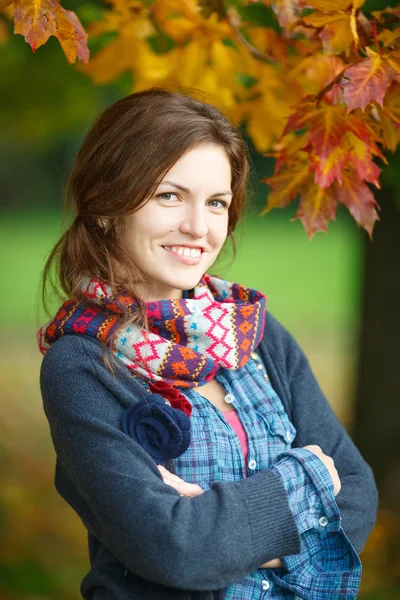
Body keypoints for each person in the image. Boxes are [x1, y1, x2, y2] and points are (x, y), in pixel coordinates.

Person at [38, 88, 378, 600]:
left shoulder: (254, 333)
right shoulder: (83, 364)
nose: (198, 228)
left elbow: (356, 490)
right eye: (169, 196)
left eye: (216, 203)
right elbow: (175, 548)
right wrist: (309, 485)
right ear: (107, 206)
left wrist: (216, 521)